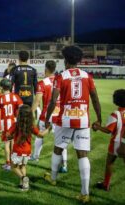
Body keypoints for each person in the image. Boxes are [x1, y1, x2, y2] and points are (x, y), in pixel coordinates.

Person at [43, 46, 102, 203]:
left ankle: (53, 178)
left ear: (65, 60)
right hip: (83, 119)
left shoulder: (61, 77)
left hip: (66, 118)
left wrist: (47, 118)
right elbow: (95, 99)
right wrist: (99, 119)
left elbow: (53, 101)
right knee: (83, 154)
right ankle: (85, 192)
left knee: (58, 148)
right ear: (79, 60)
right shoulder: (87, 76)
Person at [30, 61, 68, 173]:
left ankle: (35, 156)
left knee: (39, 135)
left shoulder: (42, 83)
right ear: (55, 69)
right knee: (62, 141)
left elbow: (37, 101)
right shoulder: (62, 80)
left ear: (46, 69)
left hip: (47, 114)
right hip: (60, 115)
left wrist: (32, 112)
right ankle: (64, 164)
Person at [8, 105, 49, 191]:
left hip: (17, 150)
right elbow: (41, 135)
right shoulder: (31, 126)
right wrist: (49, 128)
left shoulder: (16, 125)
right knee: (23, 166)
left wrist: (10, 136)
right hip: (27, 151)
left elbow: (8, 134)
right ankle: (24, 185)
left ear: (19, 115)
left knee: (13, 167)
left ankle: (23, 178)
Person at [92, 89, 125, 191]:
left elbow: (108, 130)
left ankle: (106, 184)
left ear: (116, 100)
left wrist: (97, 127)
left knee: (110, 162)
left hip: (117, 142)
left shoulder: (116, 113)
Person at [0, 79, 23, 171]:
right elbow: (21, 107)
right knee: (13, 142)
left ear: (2, 87)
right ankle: (14, 162)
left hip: (5, 122)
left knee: (6, 143)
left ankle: (8, 163)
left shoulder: (1, 98)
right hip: (14, 121)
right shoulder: (15, 97)